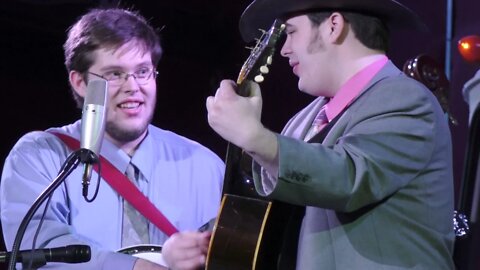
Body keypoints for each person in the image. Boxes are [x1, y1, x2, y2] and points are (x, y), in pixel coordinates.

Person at [206, 0, 455, 269]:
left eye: (291, 33)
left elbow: (349, 176)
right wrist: (203, 240)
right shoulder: (301, 121)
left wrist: (254, 138)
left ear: (333, 26)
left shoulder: (407, 99)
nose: (285, 50)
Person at [0, 8, 224, 270]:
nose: (132, 86)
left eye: (143, 72)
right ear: (80, 82)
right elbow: (41, 255)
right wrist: (142, 267)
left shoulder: (205, 165)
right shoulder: (39, 156)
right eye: (114, 74)